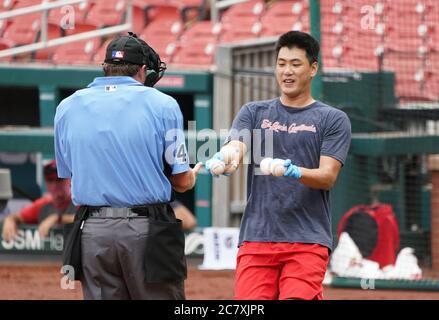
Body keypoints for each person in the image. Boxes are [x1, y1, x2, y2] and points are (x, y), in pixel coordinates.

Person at [54, 32, 202, 300]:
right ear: (143, 70)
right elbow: (181, 180)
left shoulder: (67, 106)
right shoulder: (164, 104)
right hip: (146, 230)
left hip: (92, 231)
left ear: (105, 68)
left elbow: (69, 175)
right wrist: (191, 176)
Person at [205, 31, 352, 300]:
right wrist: (225, 157)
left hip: (307, 240)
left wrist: (293, 171)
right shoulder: (253, 112)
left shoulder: (333, 119)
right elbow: (237, 146)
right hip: (257, 238)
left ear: (313, 68)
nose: (287, 71)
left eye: (295, 64)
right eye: (281, 63)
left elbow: (328, 176)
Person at [2, 160, 76, 241]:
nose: (55, 185)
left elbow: (86, 220)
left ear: (69, 180)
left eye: (59, 179)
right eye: (50, 180)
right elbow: (18, 217)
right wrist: (10, 220)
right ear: (46, 183)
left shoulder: (78, 201)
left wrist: (58, 218)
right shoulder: (43, 204)